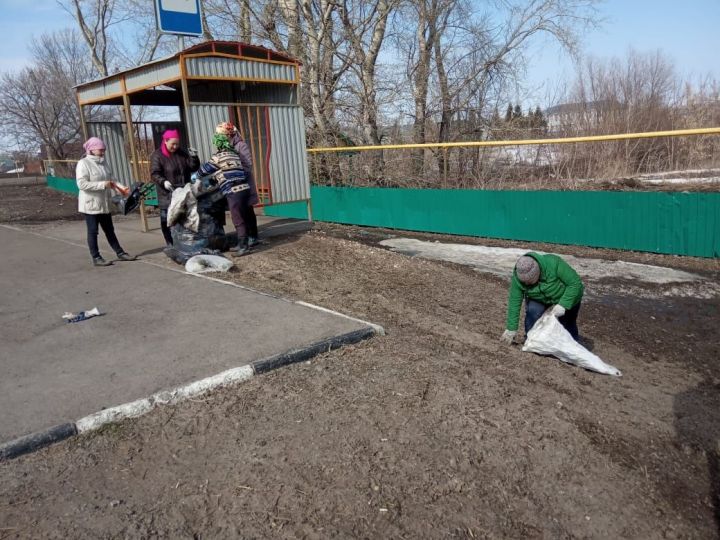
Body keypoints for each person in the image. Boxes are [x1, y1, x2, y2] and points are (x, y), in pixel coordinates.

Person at [76, 137, 135, 266]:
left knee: (109, 230)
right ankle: (96, 257)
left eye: (104, 150)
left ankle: (120, 253)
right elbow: (82, 184)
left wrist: (122, 188)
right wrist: (103, 184)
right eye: (100, 149)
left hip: (104, 203)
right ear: (91, 150)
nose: (103, 152)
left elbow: (112, 180)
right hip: (90, 205)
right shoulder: (83, 163)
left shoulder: (103, 163)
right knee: (93, 231)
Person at [501, 253, 584, 344]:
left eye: (529, 281)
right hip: (539, 298)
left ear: (537, 272)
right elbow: (514, 301)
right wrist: (511, 329)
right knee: (533, 312)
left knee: (566, 324)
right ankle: (532, 340)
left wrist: (563, 304)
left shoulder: (554, 263)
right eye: (524, 282)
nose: (527, 284)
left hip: (566, 297)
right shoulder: (517, 278)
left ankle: (572, 344)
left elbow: (575, 284)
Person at [197, 132, 254, 256]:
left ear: (218, 145)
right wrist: (216, 177)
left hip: (234, 191)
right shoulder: (234, 154)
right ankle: (244, 243)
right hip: (244, 189)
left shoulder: (219, 156)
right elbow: (226, 170)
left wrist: (195, 176)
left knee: (237, 219)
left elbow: (205, 169)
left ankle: (243, 247)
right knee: (243, 217)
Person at [150, 129, 200, 247]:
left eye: (177, 143)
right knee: (166, 219)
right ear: (165, 141)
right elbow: (155, 173)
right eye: (173, 144)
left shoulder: (181, 153)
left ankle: (183, 241)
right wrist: (163, 182)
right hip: (167, 193)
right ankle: (170, 243)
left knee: (184, 218)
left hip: (183, 192)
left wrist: (194, 157)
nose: (175, 146)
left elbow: (193, 167)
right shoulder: (157, 155)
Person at [215, 121, 260, 247]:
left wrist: (234, 171)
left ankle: (253, 236)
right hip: (232, 185)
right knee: (238, 212)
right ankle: (244, 237)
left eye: (221, 135)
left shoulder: (241, 145)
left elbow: (248, 165)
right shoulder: (224, 146)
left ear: (228, 134)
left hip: (244, 182)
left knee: (247, 210)